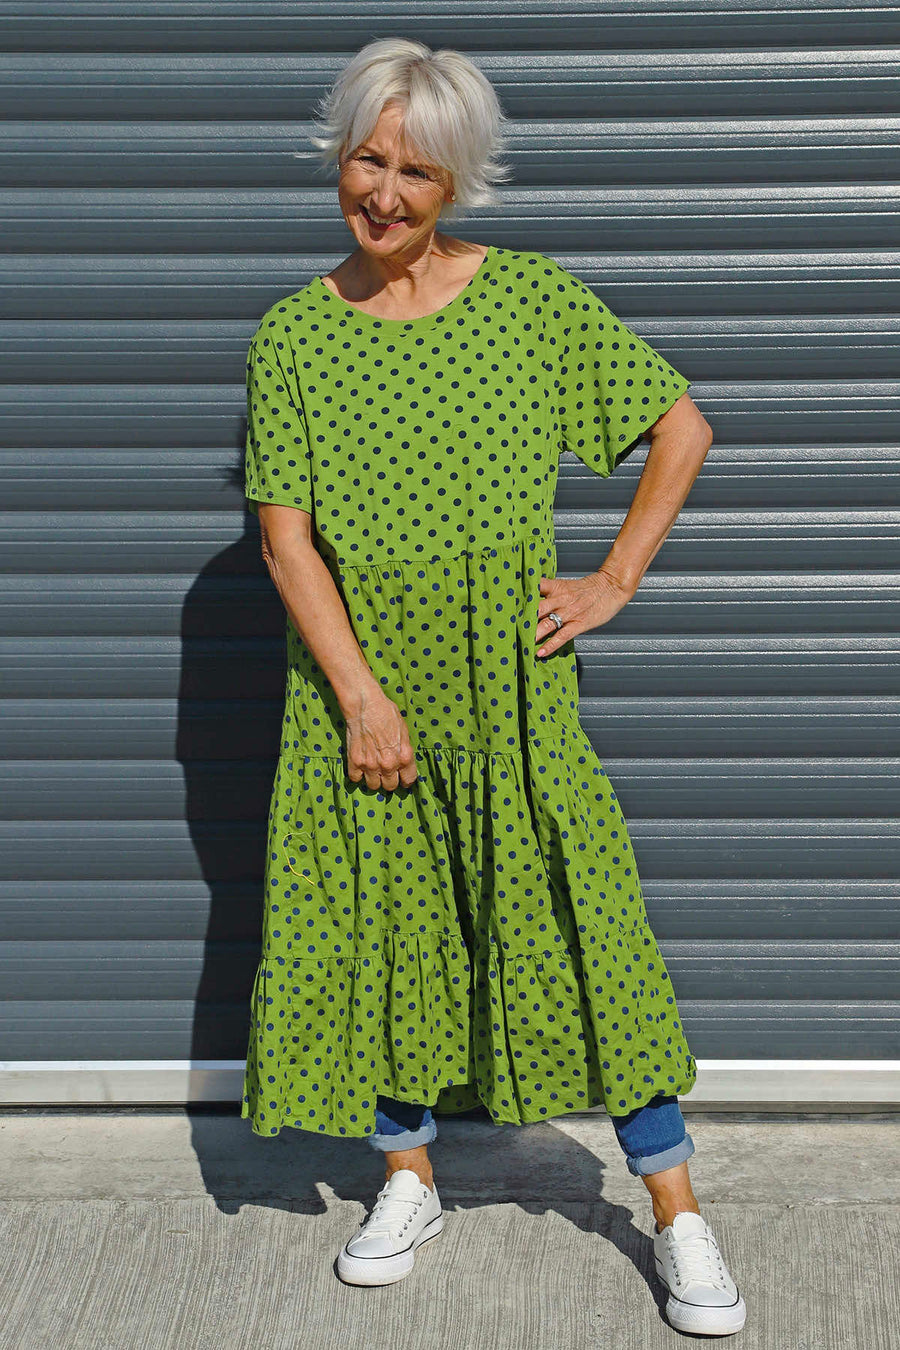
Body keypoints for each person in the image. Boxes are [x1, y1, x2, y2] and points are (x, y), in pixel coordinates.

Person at [240, 36, 745, 1338]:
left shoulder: (528, 302)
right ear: (338, 157)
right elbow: (288, 541)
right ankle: (407, 1179)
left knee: (594, 940)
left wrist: (614, 580)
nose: (385, 193)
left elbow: (679, 425)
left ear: (457, 181)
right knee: (388, 938)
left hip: (513, 710)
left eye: (416, 171)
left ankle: (676, 1211)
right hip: (367, 707)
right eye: (368, 159)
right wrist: (361, 698)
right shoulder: (295, 337)